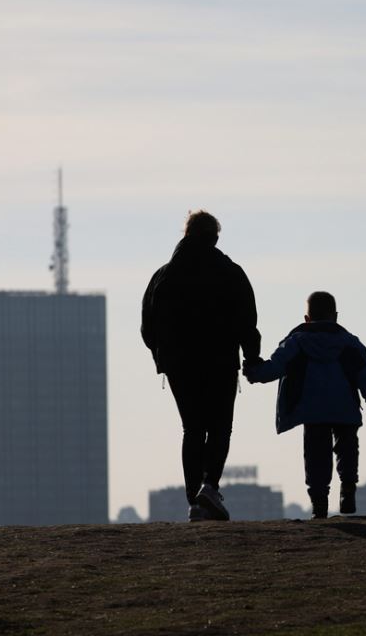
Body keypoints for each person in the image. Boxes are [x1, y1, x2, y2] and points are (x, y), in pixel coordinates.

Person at [141, 210, 261, 522]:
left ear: (186, 235)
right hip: (220, 361)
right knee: (220, 427)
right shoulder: (230, 272)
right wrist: (252, 357)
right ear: (215, 238)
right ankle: (210, 486)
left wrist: (162, 354)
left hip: (180, 366)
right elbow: (247, 319)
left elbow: (147, 326)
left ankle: (194, 498)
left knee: (192, 428)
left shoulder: (164, 276)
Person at [243, 292, 366, 519]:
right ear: (335, 316)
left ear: (307, 318)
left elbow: (275, 367)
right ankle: (348, 489)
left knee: (316, 456)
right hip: (344, 407)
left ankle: (319, 504)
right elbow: (364, 372)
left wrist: (254, 372)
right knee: (347, 448)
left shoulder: (296, 342)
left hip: (311, 409)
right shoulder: (350, 343)